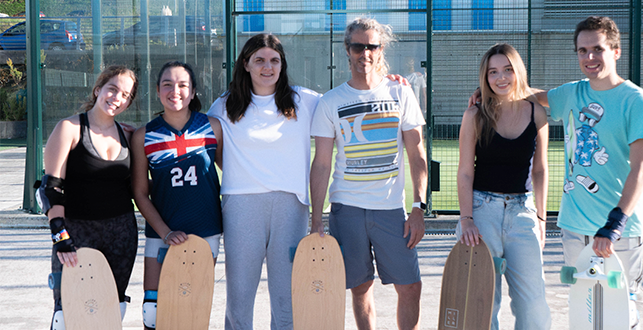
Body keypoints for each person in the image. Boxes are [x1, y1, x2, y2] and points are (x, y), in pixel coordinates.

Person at [470, 16, 643, 329]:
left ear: (616, 51)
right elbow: (525, 93)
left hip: (620, 233)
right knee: (585, 312)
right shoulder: (573, 94)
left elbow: (642, 167)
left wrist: (614, 224)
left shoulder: (637, 101)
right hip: (575, 227)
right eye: (582, 50)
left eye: (597, 49)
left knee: (619, 312)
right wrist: (487, 90)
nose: (589, 57)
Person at [310, 17, 428, 330]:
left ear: (381, 49)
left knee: (410, 286)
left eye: (372, 46)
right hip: (346, 209)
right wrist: (316, 217)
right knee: (360, 287)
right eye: (358, 46)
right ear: (347, 50)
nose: (365, 53)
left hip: (391, 211)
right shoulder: (331, 101)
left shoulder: (401, 93)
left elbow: (417, 155)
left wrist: (418, 207)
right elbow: (322, 163)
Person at [206, 33, 322, 330]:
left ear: (282, 65)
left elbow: (347, 104)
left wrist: (388, 83)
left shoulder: (305, 101)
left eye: (274, 60)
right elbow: (210, 148)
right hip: (241, 206)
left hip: (291, 206)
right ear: (245, 64)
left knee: (287, 296)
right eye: (259, 60)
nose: (267, 67)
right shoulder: (223, 106)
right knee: (240, 294)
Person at [456, 43, 551, 330]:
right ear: (485, 78)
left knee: (533, 304)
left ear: (517, 71)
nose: (501, 78)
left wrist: (542, 218)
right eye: (493, 72)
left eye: (508, 70)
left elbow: (541, 169)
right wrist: (467, 219)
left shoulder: (537, 113)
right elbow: (464, 172)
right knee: (483, 301)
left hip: (523, 213)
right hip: (482, 211)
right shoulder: (475, 115)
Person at [38, 65, 139, 329]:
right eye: (112, 89)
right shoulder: (70, 128)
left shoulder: (128, 135)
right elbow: (51, 189)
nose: (117, 98)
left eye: (125, 95)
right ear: (98, 90)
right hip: (76, 233)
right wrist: (59, 235)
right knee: (67, 314)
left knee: (110, 311)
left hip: (121, 235)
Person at [131, 61, 223, 330]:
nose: (175, 91)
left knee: (192, 308)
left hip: (206, 229)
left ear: (193, 91)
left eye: (183, 85)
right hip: (162, 231)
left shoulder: (213, 127)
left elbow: (234, 173)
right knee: (154, 311)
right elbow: (139, 192)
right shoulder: (144, 135)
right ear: (158, 91)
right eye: (167, 84)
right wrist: (165, 232)